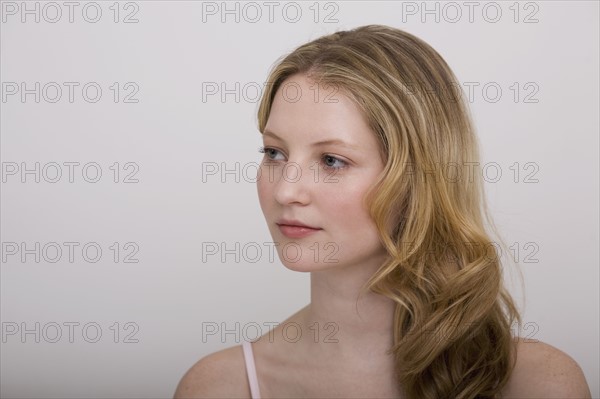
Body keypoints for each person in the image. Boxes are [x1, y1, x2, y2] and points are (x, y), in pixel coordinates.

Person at [174, 25, 592, 398]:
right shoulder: (220, 386)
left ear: (418, 178)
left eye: (332, 160)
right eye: (274, 152)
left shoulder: (537, 383)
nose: (285, 190)